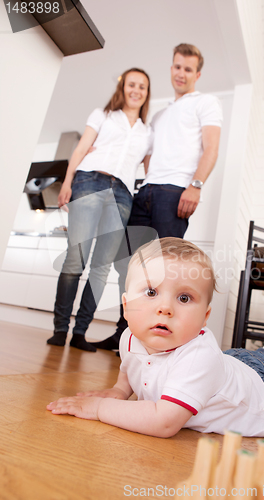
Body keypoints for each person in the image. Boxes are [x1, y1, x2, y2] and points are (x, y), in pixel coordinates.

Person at [47, 238, 264, 439]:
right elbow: (129, 366)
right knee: (224, 364)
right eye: (150, 292)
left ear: (204, 318)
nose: (165, 307)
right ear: (126, 305)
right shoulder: (130, 336)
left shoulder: (199, 357)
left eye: (184, 297)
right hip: (229, 365)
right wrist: (121, 391)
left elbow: (164, 422)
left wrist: (100, 408)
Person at [91, 43, 223, 351]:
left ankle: (162, 339)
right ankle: (126, 334)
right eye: (177, 66)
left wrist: (196, 185)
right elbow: (143, 154)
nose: (181, 73)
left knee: (167, 269)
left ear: (197, 74)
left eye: (188, 69)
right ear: (171, 68)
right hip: (146, 191)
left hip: (175, 192)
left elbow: (211, 148)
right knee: (131, 265)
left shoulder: (206, 102)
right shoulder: (161, 114)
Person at [46, 68, 151, 352]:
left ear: (146, 92)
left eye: (142, 86)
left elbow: (150, 168)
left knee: (101, 267)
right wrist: (66, 182)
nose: (136, 90)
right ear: (123, 88)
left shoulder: (147, 132)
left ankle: (80, 332)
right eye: (132, 84)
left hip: (123, 195)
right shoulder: (102, 115)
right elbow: (81, 148)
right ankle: (60, 329)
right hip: (90, 181)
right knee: (75, 259)